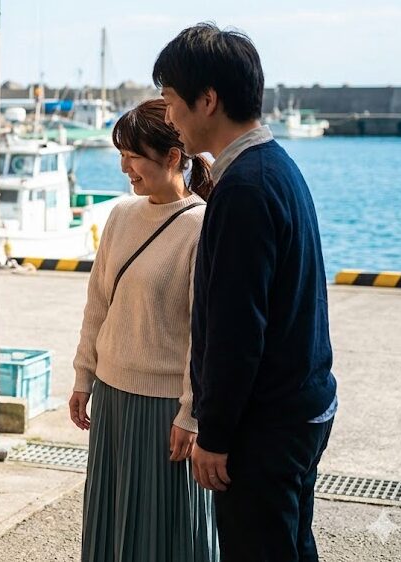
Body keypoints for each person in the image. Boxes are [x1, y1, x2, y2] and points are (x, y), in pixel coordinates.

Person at [152, 23, 338, 562]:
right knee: (290, 545)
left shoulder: (245, 188)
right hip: (301, 406)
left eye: (170, 101)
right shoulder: (275, 167)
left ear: (207, 100)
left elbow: (237, 328)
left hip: (266, 423)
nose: (168, 117)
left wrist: (216, 433)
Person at [69, 98, 218, 562]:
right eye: (122, 155)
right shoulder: (120, 216)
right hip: (113, 396)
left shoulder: (202, 226)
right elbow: (98, 304)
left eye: (133, 156)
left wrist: (191, 414)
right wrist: (82, 377)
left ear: (172, 156)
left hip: (165, 411)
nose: (124, 168)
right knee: (114, 524)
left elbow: (204, 333)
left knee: (167, 533)